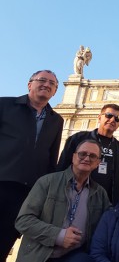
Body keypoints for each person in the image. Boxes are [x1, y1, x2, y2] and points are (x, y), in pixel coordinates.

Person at [0, 69, 64, 261]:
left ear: (54, 92)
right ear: (30, 84)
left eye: (52, 84)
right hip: (2, 181)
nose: (46, 85)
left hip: (27, 193)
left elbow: (51, 159)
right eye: (42, 80)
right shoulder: (5, 105)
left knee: (5, 241)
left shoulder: (56, 120)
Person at [15, 139, 110, 262]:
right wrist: (58, 235)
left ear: (98, 163)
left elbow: (110, 221)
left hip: (75, 255)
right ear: (73, 157)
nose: (87, 158)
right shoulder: (47, 182)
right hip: (40, 254)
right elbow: (23, 220)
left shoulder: (100, 193)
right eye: (82, 154)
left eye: (92, 156)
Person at [58, 104, 119, 204]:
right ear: (99, 118)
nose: (112, 120)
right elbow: (62, 167)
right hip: (75, 197)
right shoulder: (78, 139)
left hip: (107, 202)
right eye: (108, 115)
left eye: (117, 119)